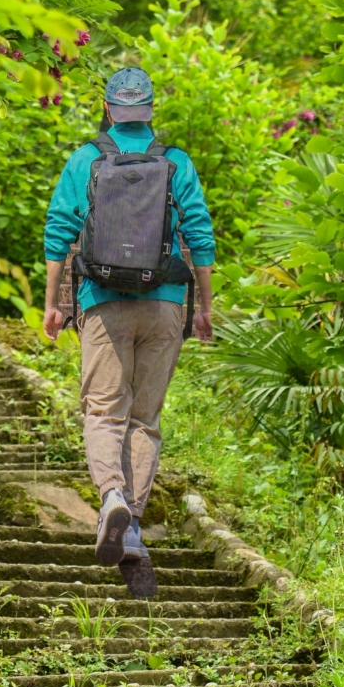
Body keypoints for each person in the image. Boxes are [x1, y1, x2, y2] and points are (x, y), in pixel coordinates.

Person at [41, 65, 215, 599]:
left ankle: (112, 496)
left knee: (103, 409)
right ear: (150, 111)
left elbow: (59, 231)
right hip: (164, 302)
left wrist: (52, 304)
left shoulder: (86, 159)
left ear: (110, 109)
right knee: (144, 417)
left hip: (103, 301)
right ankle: (131, 523)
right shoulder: (176, 162)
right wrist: (204, 307)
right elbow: (200, 233)